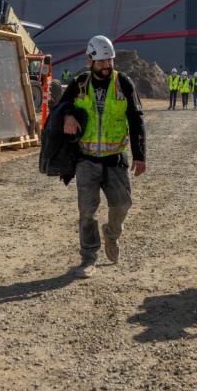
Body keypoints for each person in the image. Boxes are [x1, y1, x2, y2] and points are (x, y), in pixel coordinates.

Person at [58, 35, 147, 278]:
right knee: (87, 212)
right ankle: (88, 258)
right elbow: (61, 106)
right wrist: (68, 115)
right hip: (86, 159)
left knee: (122, 204)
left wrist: (140, 155)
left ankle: (112, 234)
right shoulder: (79, 83)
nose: (107, 66)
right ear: (90, 60)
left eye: (110, 61)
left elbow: (136, 119)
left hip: (115, 157)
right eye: (102, 62)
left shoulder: (123, 83)